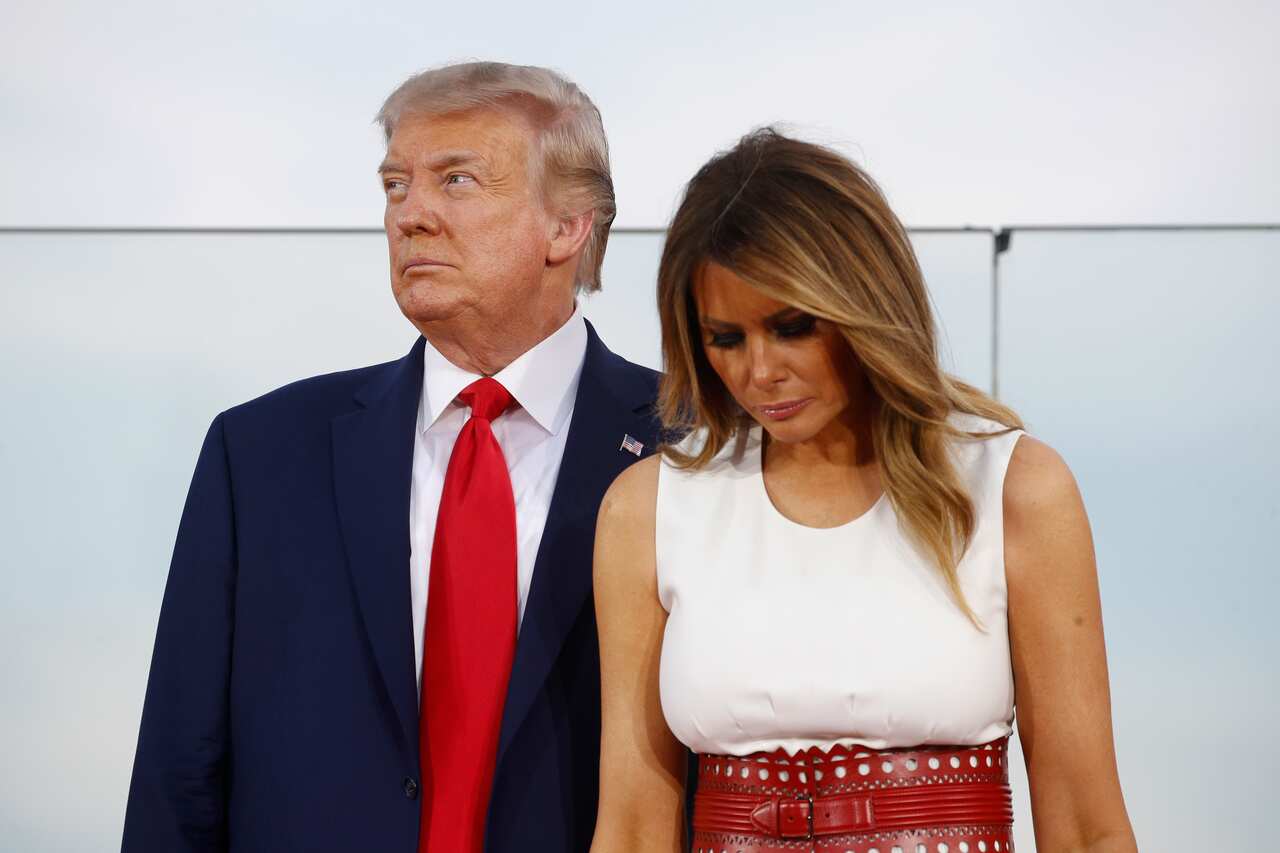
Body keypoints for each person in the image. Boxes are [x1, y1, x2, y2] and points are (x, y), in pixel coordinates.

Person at [122, 61, 661, 853]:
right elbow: (178, 781)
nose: (412, 215)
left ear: (568, 224)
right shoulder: (259, 455)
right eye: (396, 185)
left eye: (458, 181)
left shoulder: (697, 446)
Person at [590, 129, 1137, 852]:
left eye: (792, 327)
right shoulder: (649, 507)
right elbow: (630, 828)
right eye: (726, 338)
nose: (760, 371)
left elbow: (1085, 823)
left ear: (865, 302)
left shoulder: (1017, 490)